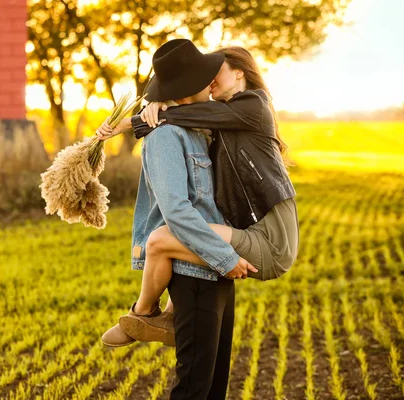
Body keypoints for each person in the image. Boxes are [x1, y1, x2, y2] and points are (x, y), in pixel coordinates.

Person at [99, 44, 299, 353]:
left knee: (159, 241)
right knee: (167, 241)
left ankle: (140, 316)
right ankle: (161, 319)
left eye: (216, 70)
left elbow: (192, 113)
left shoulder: (252, 107)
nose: (209, 78)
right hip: (251, 230)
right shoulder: (223, 120)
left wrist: (141, 118)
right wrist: (152, 112)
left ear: (239, 73)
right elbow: (191, 118)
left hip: (272, 240)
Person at [100, 39, 258, 399]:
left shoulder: (199, 127)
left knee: (214, 385)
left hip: (214, 270)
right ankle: (143, 315)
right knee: (193, 389)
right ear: (189, 89)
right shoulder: (166, 137)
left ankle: (141, 316)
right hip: (194, 274)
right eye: (206, 77)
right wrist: (226, 258)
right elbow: (177, 211)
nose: (212, 82)